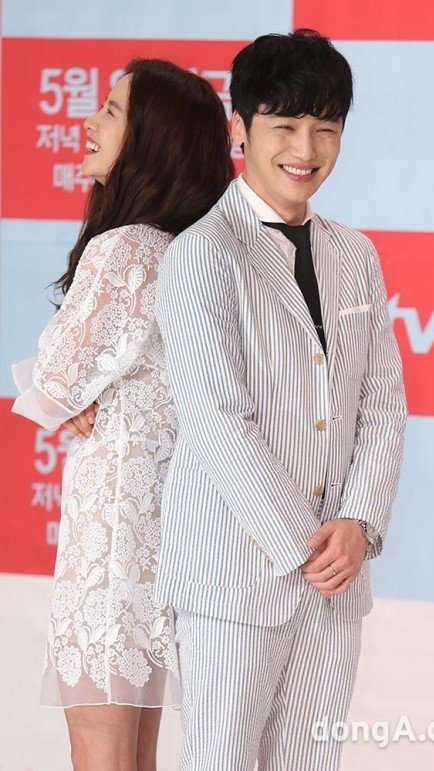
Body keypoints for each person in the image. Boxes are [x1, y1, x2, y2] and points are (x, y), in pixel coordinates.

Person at [154, 30, 407, 770]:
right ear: (240, 129)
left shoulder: (355, 254)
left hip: (336, 579)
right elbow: (216, 419)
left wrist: (359, 524)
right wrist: (309, 546)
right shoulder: (201, 254)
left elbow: (383, 406)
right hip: (233, 572)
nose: (306, 149)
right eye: (286, 125)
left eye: (325, 128)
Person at [11, 58, 234, 771]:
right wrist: (66, 393)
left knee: (101, 756)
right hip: (160, 542)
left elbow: (53, 384)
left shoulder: (124, 248)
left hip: (110, 545)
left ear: (151, 139)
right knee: (135, 755)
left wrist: (59, 392)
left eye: (111, 110)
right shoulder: (186, 251)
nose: (89, 122)